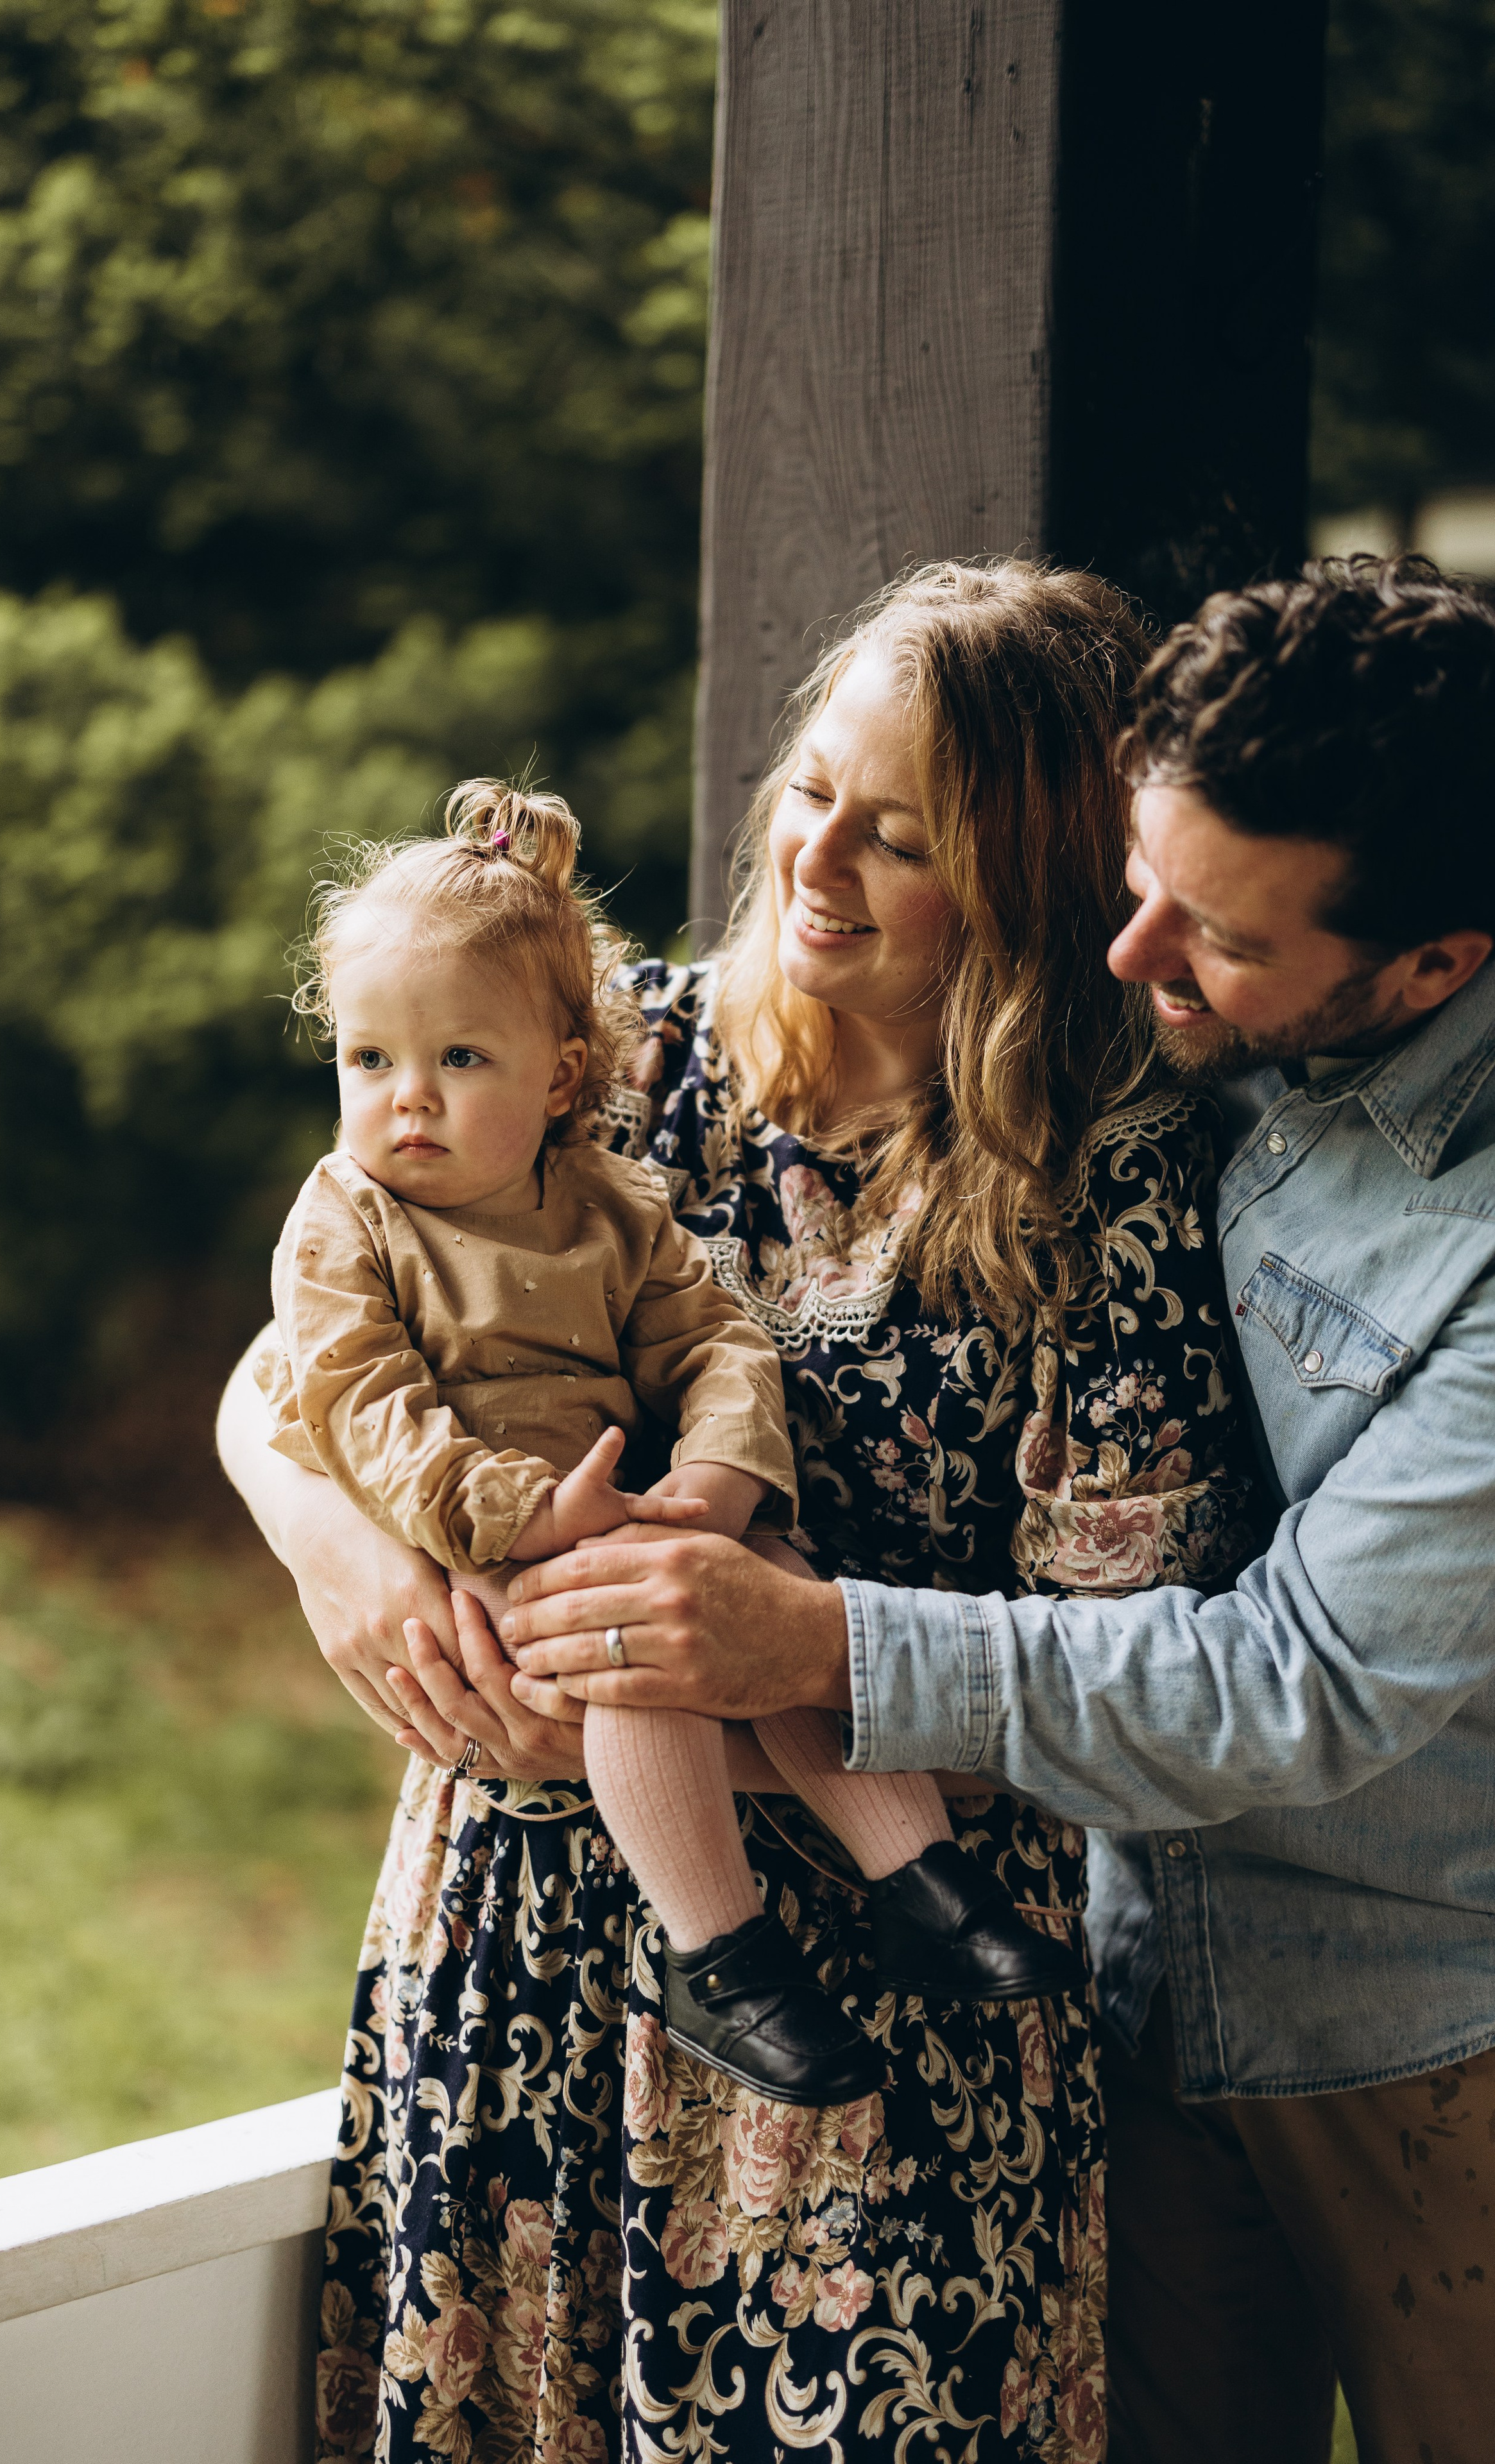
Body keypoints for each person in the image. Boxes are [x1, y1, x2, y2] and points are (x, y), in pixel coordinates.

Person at [218, 560, 1258, 2464]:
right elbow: (302, 1343)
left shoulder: (1111, 1189)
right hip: (516, 1955)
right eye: (811, 794)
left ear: (1026, 876)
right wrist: (349, 1560)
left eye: (902, 839)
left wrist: (774, 1657)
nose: (818, 862)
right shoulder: (620, 1060)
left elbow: (1143, 1681)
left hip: (885, 2036)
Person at [502, 556, 1495, 2464]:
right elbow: (364, 1281)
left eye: (1211, 931)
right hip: (1117, 1989)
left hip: (1407, 2020)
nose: (1132, 957)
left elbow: (1298, 1690)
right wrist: (323, 1522)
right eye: (1136, 877)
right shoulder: (1171, 1036)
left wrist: (808, 1640)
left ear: (1434, 966)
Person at [262, 776, 1081, 2111]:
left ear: (559, 1078)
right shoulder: (344, 1220)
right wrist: (515, 1514)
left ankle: (917, 1879)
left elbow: (715, 1340)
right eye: (369, 1061)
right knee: (647, 1659)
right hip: (483, 1542)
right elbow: (358, 1404)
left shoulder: (607, 1200)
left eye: (458, 1061)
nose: (406, 1100)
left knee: (776, 1594)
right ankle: (722, 1952)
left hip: (631, 1510)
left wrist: (715, 1475)